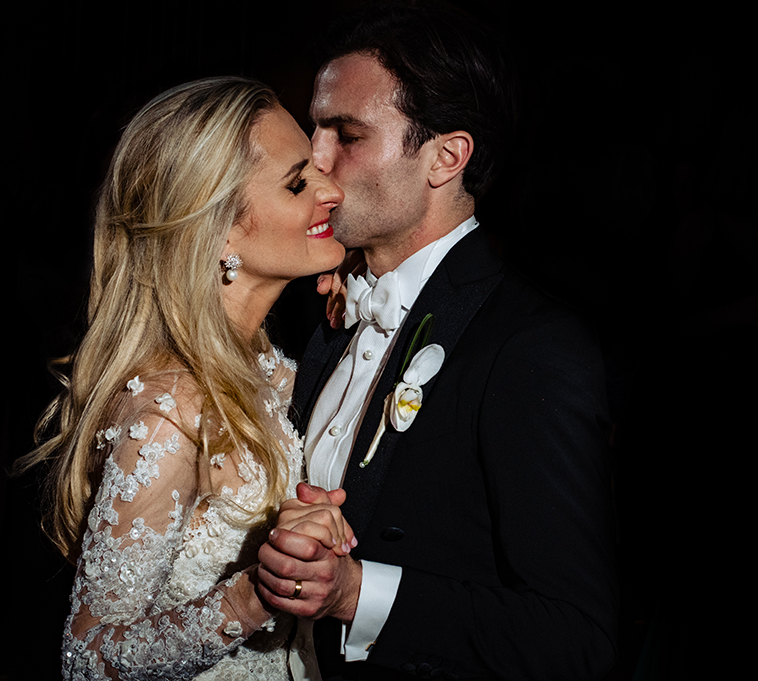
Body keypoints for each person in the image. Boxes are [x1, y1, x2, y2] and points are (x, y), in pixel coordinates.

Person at [256, 5, 620, 680]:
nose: (316, 157)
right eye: (315, 126)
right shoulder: (323, 306)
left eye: (347, 133)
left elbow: (576, 638)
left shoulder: (529, 348)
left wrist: (356, 594)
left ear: (446, 156)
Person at [16, 76, 357, 680]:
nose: (331, 189)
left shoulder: (273, 367)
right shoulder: (169, 412)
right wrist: (255, 596)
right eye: (298, 182)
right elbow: (87, 661)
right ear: (220, 228)